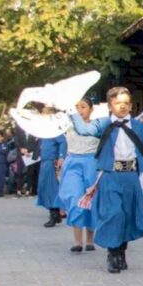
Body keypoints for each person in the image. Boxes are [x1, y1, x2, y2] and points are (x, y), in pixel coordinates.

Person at [70, 87, 143, 273]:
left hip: (130, 175)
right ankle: (112, 254)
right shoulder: (103, 124)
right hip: (110, 175)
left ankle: (121, 251)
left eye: (126, 103)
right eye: (118, 103)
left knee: (127, 215)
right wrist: (71, 111)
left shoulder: (138, 126)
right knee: (114, 213)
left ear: (130, 105)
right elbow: (82, 129)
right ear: (110, 105)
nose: (122, 106)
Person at [58, 98, 98, 252]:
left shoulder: (97, 126)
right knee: (75, 199)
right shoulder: (68, 126)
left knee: (90, 201)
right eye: (77, 107)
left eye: (83, 107)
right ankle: (77, 241)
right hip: (73, 163)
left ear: (91, 109)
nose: (80, 110)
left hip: (92, 164)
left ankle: (90, 240)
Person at [37, 133, 67, 227]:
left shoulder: (54, 130)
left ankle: (54, 214)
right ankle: (56, 213)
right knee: (46, 188)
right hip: (45, 161)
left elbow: (63, 142)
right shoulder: (45, 133)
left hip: (51, 161)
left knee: (51, 189)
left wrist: (61, 156)